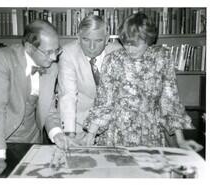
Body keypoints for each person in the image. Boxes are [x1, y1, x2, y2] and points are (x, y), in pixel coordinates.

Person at [80, 12, 203, 152]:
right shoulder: (113, 60)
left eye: (135, 45)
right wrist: (91, 134)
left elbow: (170, 102)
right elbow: (104, 101)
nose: (129, 49)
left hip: (150, 135)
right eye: (126, 43)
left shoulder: (162, 58)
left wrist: (180, 140)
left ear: (148, 39)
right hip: (116, 134)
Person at [0, 20, 70, 176]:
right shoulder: (1, 59)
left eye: (57, 50)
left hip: (32, 139)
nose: (54, 57)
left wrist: (57, 134)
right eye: (48, 52)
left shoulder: (51, 66)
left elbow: (48, 106)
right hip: (2, 138)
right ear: (29, 47)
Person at [58, 15, 122, 136]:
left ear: (107, 38)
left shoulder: (119, 52)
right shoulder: (67, 53)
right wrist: (69, 133)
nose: (92, 47)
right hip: (78, 125)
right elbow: (68, 95)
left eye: (98, 41)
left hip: (112, 126)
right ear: (78, 37)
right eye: (86, 40)